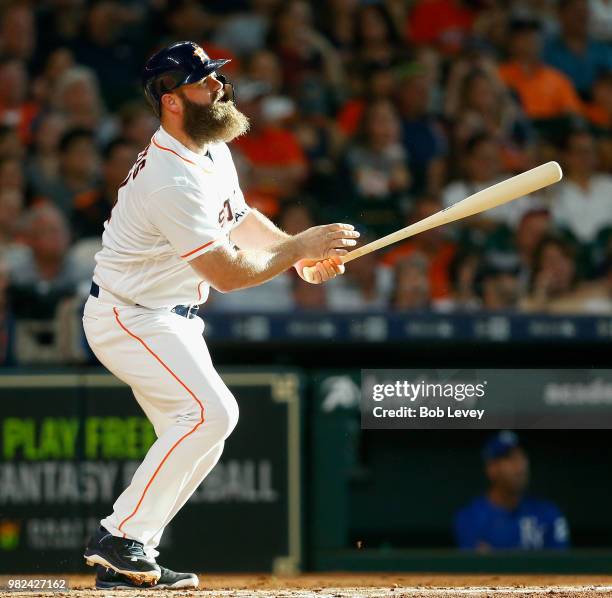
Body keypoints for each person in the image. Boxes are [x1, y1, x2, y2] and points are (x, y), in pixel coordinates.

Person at [81, 41, 358, 590]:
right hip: (130, 315)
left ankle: (130, 559)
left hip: (168, 314)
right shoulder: (170, 177)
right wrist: (298, 246)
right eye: (204, 81)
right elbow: (228, 274)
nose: (218, 88)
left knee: (199, 431)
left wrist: (295, 256)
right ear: (171, 100)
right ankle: (119, 537)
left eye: (215, 78)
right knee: (213, 414)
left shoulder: (208, 147)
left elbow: (239, 219)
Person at [455, 431, 570, 550]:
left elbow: (562, 565)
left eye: (522, 456)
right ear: (491, 469)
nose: (520, 466)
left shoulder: (549, 513)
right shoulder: (471, 517)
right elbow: (477, 566)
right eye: (510, 458)